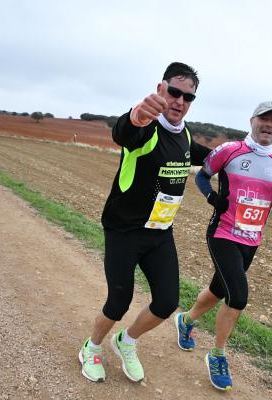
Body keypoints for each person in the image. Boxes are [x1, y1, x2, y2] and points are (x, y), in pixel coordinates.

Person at [78, 62, 211, 383]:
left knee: (167, 302)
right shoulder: (146, 128)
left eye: (188, 97)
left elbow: (207, 155)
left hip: (160, 233)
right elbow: (125, 131)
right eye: (175, 92)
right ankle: (91, 347)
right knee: (119, 300)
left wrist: (242, 159)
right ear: (161, 88)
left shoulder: (185, 135)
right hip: (124, 230)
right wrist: (136, 116)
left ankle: (127, 341)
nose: (180, 101)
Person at [174, 101, 272, 391]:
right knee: (238, 296)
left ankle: (186, 320)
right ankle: (217, 354)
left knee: (220, 289)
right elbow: (203, 176)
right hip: (223, 232)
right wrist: (211, 197)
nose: (268, 125)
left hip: (251, 240)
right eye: (263, 119)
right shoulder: (229, 151)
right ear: (252, 120)